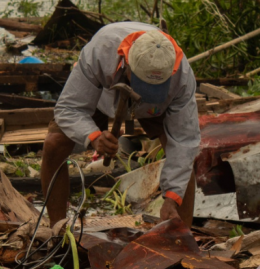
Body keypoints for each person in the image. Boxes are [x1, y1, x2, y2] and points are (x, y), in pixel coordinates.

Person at [40, 22, 200, 228]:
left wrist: (172, 197)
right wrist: (93, 137)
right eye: (143, 85)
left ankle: (181, 240)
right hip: (102, 96)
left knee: (184, 161)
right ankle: (58, 230)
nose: (144, 94)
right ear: (127, 65)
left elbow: (184, 142)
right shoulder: (101, 50)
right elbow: (69, 108)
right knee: (54, 143)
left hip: (157, 107)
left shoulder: (182, 78)